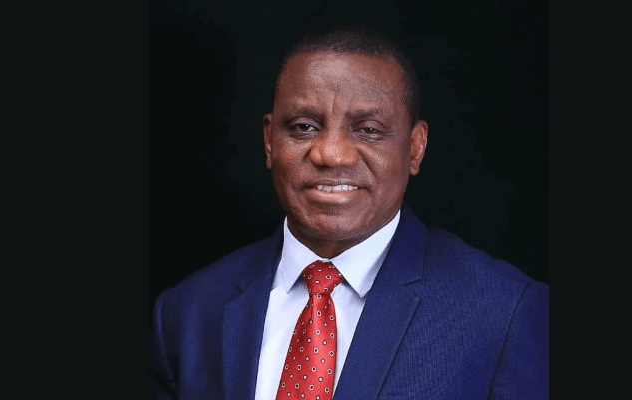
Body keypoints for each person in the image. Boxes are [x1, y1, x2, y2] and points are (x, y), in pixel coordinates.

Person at [150, 26, 549, 400]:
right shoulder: (186, 313)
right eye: (304, 127)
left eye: (368, 129)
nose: (331, 154)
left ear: (415, 148)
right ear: (269, 141)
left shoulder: (505, 313)